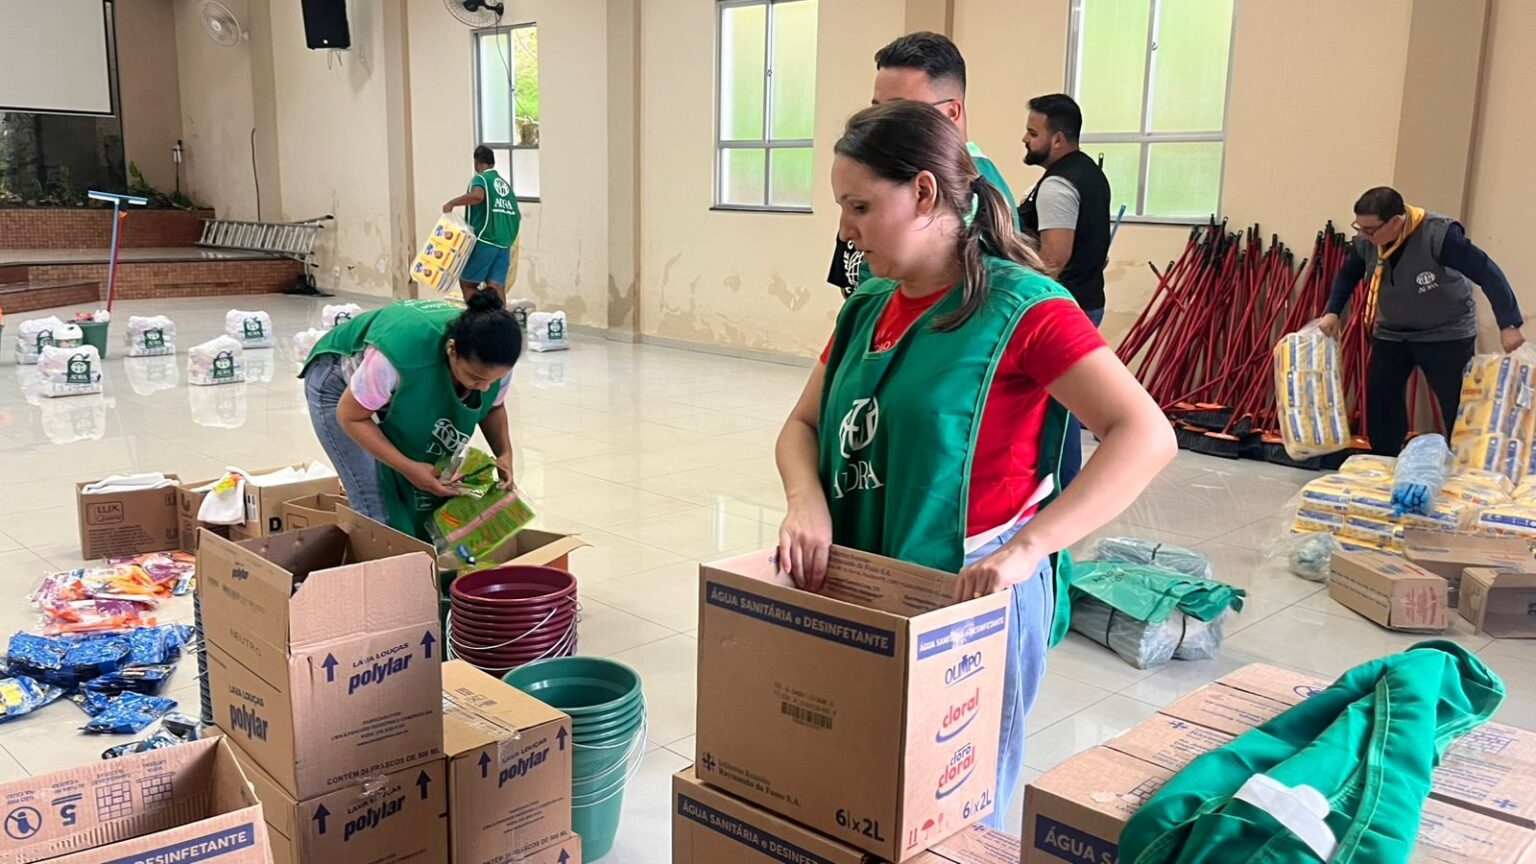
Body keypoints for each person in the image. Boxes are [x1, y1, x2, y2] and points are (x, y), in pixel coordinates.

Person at [778, 100, 1175, 829]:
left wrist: (1030, 548)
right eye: (843, 206)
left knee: (954, 809)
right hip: (872, 576)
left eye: (860, 205)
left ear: (924, 192)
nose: (845, 229)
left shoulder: (1025, 308)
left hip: (973, 591)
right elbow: (802, 426)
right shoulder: (867, 305)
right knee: (861, 790)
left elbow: (1145, 435)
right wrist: (806, 499)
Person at [300, 291, 523, 540]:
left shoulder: (494, 363)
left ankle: (430, 570)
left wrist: (505, 453)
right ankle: (386, 571)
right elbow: (351, 416)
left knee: (425, 499)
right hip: (338, 383)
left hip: (391, 388)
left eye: (492, 381)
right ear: (451, 350)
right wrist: (408, 468)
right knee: (377, 508)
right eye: (476, 378)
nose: (484, 387)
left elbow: (493, 407)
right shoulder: (398, 357)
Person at [1319, 186, 1525, 456]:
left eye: (1370, 230)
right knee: (1381, 399)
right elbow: (1348, 275)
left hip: (1446, 332)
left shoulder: (1439, 236)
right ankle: (1386, 460)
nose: (1363, 236)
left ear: (1395, 222)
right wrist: (1332, 310)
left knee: (1458, 405)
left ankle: (1464, 464)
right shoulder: (1367, 242)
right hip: (1392, 331)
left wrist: (1508, 324)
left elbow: (1487, 272)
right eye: (1359, 227)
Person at [826, 31, 1019, 298]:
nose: (881, 124)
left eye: (902, 111)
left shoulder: (969, 191)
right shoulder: (877, 173)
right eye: (876, 109)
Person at [1018, 93, 1112, 490]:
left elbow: (1053, 259)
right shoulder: (1089, 172)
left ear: (1058, 140)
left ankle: (1058, 493)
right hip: (1086, 301)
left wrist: (1019, 296)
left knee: (1058, 412)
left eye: (1032, 131)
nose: (1024, 138)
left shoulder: (1058, 185)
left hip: (1062, 306)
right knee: (1064, 406)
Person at [443, 145, 522, 303]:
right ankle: (501, 323)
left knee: (468, 283)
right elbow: (517, 216)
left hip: (485, 241)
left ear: (477, 163)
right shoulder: (505, 186)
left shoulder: (481, 179)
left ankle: (477, 319)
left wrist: (452, 203)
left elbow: (477, 196)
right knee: (496, 287)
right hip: (504, 244)